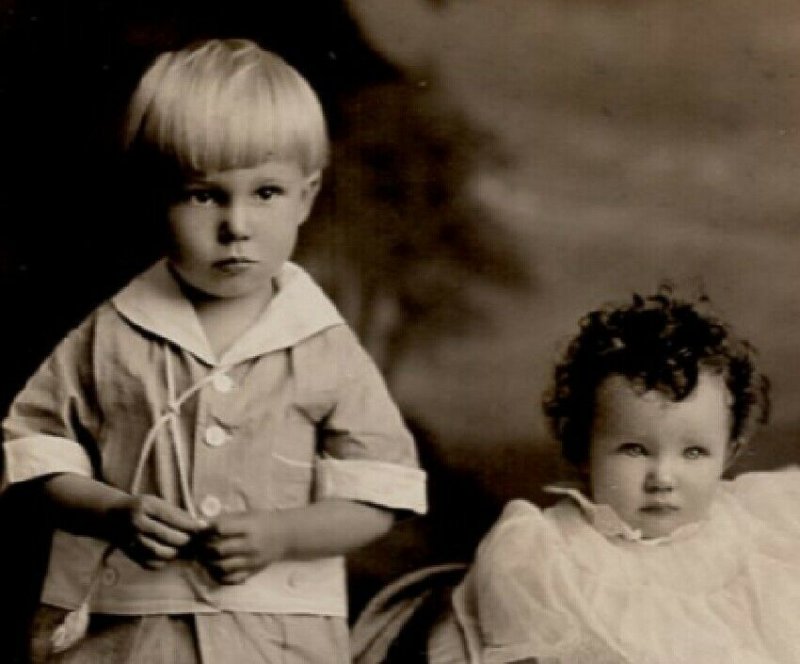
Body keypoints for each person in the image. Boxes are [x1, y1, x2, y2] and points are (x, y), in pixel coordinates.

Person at [1, 38, 427, 664]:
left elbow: (379, 494)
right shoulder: (112, 333)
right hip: (131, 629)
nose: (237, 226)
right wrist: (114, 511)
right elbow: (31, 453)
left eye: (266, 193)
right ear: (154, 199)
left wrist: (282, 533)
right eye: (204, 195)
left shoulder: (321, 344)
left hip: (279, 635)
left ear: (305, 198)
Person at [435, 287, 800, 663]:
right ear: (582, 450)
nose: (663, 478)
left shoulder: (759, 534)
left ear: (728, 456)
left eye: (694, 452)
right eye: (635, 450)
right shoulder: (546, 557)